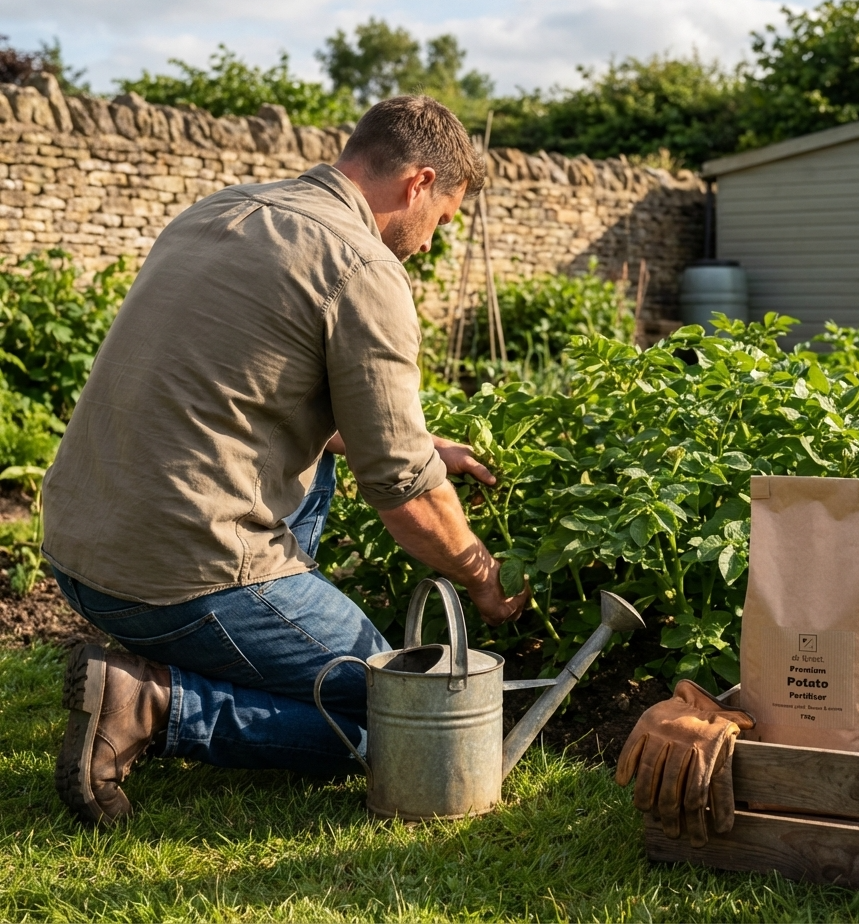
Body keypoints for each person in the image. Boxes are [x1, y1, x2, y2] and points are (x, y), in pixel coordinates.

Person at [43, 94, 529, 826]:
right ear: (420, 183)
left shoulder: (219, 210)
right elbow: (403, 489)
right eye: (444, 220)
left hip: (81, 557)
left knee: (325, 469)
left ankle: (182, 663)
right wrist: (482, 577)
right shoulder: (362, 265)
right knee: (396, 717)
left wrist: (424, 446)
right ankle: (150, 704)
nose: (430, 243)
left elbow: (243, 397)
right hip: (178, 578)